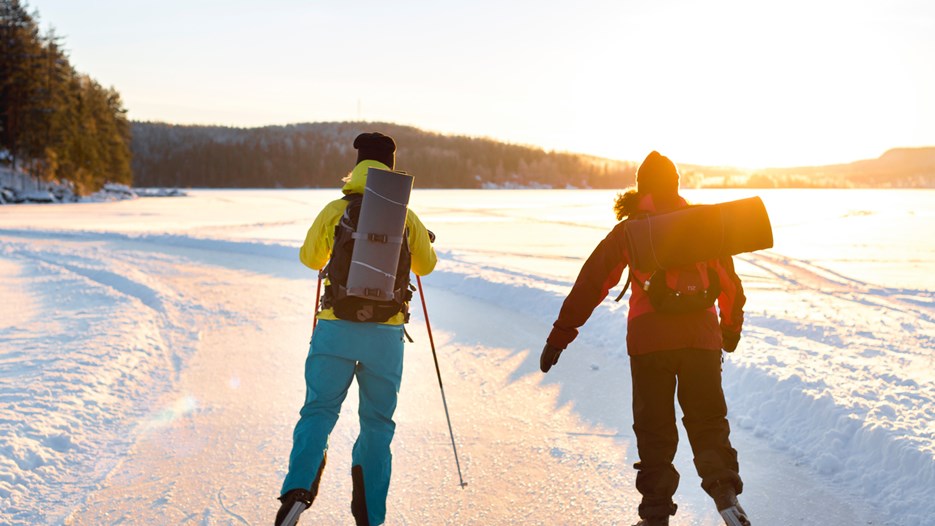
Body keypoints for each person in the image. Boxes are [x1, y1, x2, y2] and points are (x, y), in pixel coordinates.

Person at [539, 151, 750, 526]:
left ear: (641, 188)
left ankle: (655, 515)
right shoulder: (703, 222)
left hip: (649, 341)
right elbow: (730, 285)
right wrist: (729, 332)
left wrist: (561, 335)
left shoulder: (631, 229)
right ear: (677, 185)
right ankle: (725, 494)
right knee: (707, 421)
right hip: (701, 340)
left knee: (654, 427)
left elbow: (592, 283)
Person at [276, 132, 437, 526]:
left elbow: (309, 257)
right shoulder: (406, 216)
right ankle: (371, 516)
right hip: (386, 335)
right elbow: (426, 267)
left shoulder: (336, 208)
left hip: (335, 328)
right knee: (378, 425)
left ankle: (297, 492)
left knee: (318, 411)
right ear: (392, 167)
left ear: (358, 165)